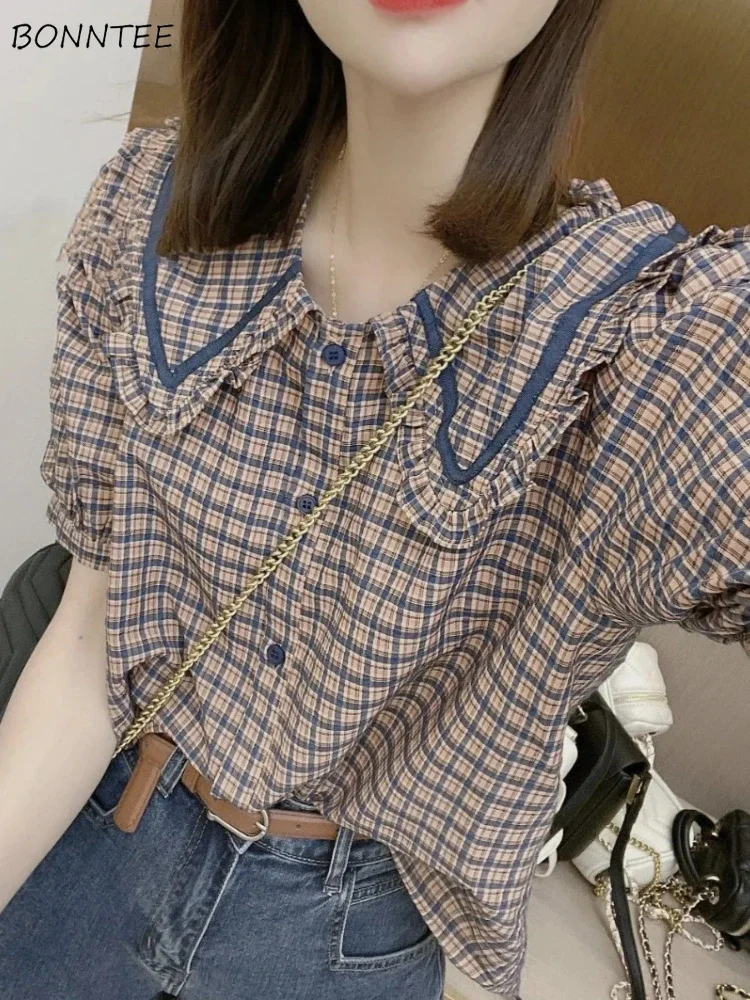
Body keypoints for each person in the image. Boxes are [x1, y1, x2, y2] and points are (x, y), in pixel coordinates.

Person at [0, 0, 748, 998]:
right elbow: (89, 640)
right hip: (95, 833)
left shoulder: (654, 345)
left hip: (344, 932)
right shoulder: (151, 211)